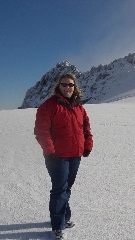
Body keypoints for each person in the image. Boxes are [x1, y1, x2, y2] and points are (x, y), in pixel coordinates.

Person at [34, 73, 93, 239]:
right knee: (60, 190)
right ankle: (57, 225)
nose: (68, 87)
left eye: (71, 85)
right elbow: (41, 131)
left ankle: (64, 217)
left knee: (66, 188)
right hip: (57, 156)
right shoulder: (49, 106)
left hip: (75, 155)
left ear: (75, 87)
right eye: (64, 84)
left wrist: (87, 145)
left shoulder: (79, 107)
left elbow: (86, 128)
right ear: (58, 86)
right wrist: (49, 151)